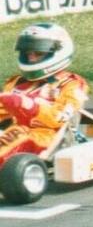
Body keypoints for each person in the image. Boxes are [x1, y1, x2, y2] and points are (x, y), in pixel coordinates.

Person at [0, 23, 88, 163]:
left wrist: (31, 106)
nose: (31, 58)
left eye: (38, 53)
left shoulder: (71, 84)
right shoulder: (16, 82)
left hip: (47, 137)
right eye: (28, 53)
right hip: (15, 131)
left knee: (15, 139)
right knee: (14, 135)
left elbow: (61, 117)